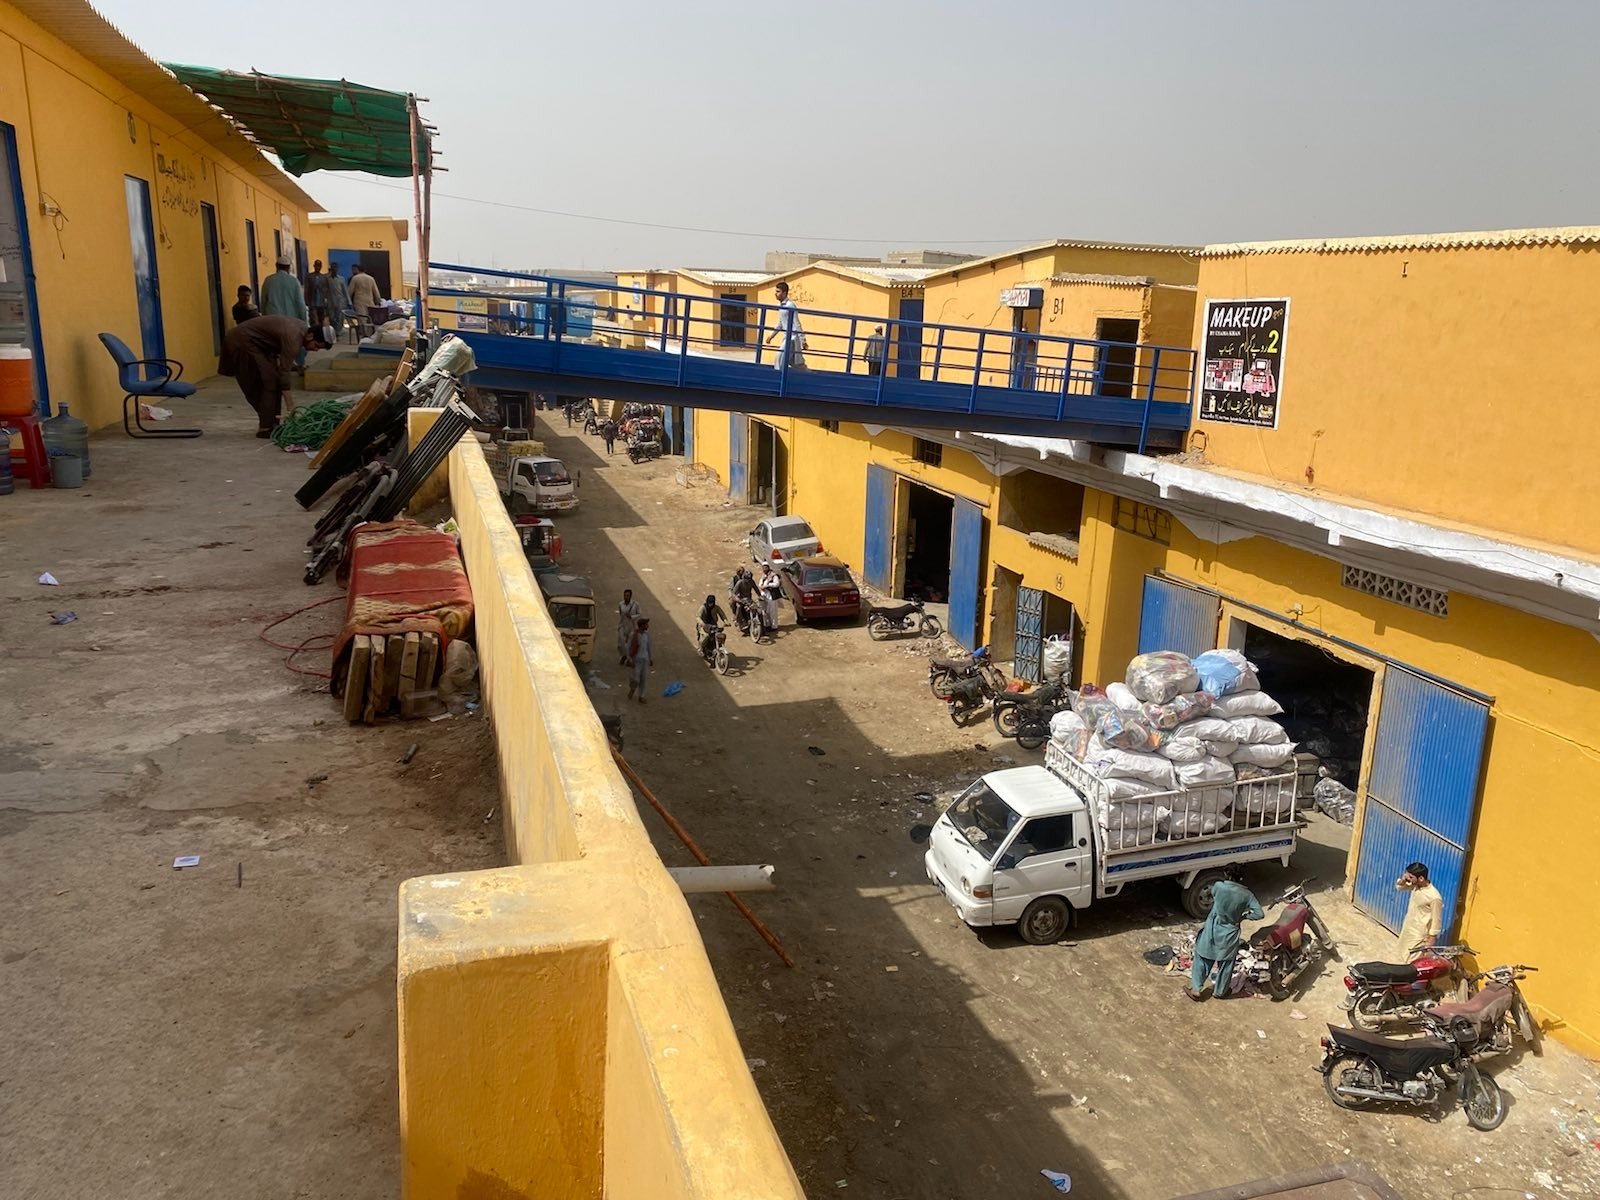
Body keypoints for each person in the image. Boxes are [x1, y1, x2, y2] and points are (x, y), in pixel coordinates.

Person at [218, 314, 331, 438]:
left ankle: (273, 424)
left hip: (260, 346)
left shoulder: (302, 330)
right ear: (310, 336)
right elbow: (284, 372)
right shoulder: (294, 338)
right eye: (316, 346)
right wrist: (290, 406)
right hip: (243, 342)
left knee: (273, 380)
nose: (315, 350)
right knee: (266, 382)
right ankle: (266, 427)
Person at [1187, 872, 1264, 1001]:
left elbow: (1209, 894)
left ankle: (1196, 989)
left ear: (1227, 874)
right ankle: (1220, 991)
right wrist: (1243, 916)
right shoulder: (1247, 895)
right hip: (1230, 932)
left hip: (1213, 928)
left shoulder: (1219, 886)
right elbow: (1259, 913)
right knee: (1226, 963)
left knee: (1203, 958)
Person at [1395, 862, 1443, 959]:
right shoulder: (1416, 886)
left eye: (1411, 877)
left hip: (1419, 935)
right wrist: (1404, 879)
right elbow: (1399, 887)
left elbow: (1436, 921)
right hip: (1408, 928)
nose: (1409, 879)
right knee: (1401, 956)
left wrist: (1431, 940)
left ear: (1421, 878)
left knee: (1411, 961)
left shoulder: (1434, 897)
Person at [763, 280, 805, 371]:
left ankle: (778, 379)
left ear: (784, 293)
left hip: (792, 338)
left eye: (778, 292)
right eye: (776, 291)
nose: (776, 294)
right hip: (787, 338)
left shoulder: (790, 305)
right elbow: (781, 323)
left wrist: (803, 340)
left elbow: (797, 323)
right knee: (797, 365)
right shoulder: (782, 306)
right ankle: (812, 378)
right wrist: (771, 336)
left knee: (779, 358)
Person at [261, 254, 308, 321]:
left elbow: (263, 302)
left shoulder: (268, 281)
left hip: (273, 320)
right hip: (291, 320)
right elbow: (300, 303)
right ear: (288, 268)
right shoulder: (294, 281)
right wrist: (304, 321)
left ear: (276, 266)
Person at [626, 617, 653, 703]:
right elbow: (628, 647)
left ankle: (641, 696)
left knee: (643, 679)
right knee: (636, 679)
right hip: (636, 660)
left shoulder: (647, 635)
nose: (647, 626)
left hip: (644, 659)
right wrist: (629, 658)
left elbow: (648, 647)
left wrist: (650, 658)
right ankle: (632, 689)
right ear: (642, 626)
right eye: (646, 624)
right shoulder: (633, 635)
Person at [696, 593, 729, 662]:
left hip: (713, 625)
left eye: (712, 603)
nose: (711, 604)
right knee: (706, 636)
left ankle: (717, 647)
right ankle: (700, 648)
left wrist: (726, 621)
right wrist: (702, 623)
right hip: (704, 626)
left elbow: (722, 614)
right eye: (709, 603)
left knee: (720, 635)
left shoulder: (716, 607)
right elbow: (698, 617)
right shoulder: (703, 608)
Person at [616, 588, 642, 666]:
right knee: (620, 644)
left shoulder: (635, 604)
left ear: (630, 596)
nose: (626, 597)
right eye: (625, 595)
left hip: (632, 625)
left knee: (629, 644)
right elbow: (621, 615)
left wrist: (632, 617)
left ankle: (628, 659)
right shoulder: (620, 604)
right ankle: (624, 656)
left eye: (627, 596)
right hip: (623, 625)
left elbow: (639, 614)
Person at [757, 563, 782, 635]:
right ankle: (767, 625)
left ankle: (774, 626)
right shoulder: (763, 576)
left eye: (765, 567)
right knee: (765, 612)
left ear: (768, 568)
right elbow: (760, 584)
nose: (764, 569)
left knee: (772, 612)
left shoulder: (773, 576)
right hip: (765, 596)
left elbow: (777, 584)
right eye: (763, 568)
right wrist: (762, 586)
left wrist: (767, 585)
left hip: (772, 596)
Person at [730, 565, 756, 632]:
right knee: (737, 606)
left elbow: (756, 588)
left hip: (747, 597)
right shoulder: (735, 579)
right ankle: (738, 621)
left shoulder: (749, 580)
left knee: (755, 607)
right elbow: (732, 590)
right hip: (738, 597)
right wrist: (735, 597)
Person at [327, 266, 351, 336]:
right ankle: (333, 330)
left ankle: (338, 331)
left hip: (340, 300)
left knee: (339, 317)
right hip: (330, 301)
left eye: (335, 270)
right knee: (331, 317)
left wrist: (349, 301)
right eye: (333, 270)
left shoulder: (341, 279)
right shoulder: (327, 279)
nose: (334, 271)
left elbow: (345, 291)